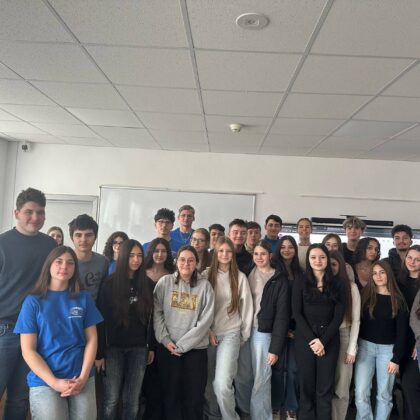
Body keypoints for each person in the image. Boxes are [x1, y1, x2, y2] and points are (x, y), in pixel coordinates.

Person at [14, 246, 103, 419]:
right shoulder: (33, 302)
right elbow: (28, 350)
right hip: (45, 379)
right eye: (59, 261)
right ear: (48, 265)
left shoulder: (83, 298)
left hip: (81, 376)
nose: (64, 267)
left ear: (75, 268)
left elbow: (92, 339)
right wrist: (54, 382)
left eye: (70, 263)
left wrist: (83, 377)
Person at [0, 187, 56, 419]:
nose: (35, 217)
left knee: (20, 397)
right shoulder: (2, 243)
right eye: (29, 212)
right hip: (5, 329)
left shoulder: (51, 246)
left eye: (40, 212)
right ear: (16, 213)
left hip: (35, 331)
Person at [153, 246, 215, 420]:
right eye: (182, 259)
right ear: (176, 261)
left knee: (193, 398)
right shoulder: (164, 283)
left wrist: (183, 346)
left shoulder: (205, 286)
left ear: (196, 263)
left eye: (190, 260)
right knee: (170, 396)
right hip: (168, 349)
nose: (186, 264)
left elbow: (205, 322)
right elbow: (156, 313)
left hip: (195, 351)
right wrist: (165, 340)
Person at [96, 240, 154, 420]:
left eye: (139, 256)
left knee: (132, 400)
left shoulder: (148, 284)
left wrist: (150, 347)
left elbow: (152, 319)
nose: (136, 260)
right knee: (111, 399)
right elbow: (100, 320)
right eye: (131, 256)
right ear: (122, 257)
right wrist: (99, 353)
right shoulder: (109, 283)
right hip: (113, 348)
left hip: (139, 349)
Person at [235, 240, 289, 420]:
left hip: (263, 333)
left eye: (263, 254)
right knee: (242, 376)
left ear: (270, 256)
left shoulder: (279, 279)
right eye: (256, 254)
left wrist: (275, 348)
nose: (259, 257)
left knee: (262, 378)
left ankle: (261, 417)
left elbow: (282, 316)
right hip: (243, 329)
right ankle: (245, 412)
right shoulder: (246, 273)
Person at [292, 243, 346, 420]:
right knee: (306, 387)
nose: (318, 261)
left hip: (329, 339)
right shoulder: (300, 281)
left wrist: (322, 341)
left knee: (324, 389)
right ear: (308, 260)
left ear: (327, 260)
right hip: (305, 339)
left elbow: (338, 317)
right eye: (313, 257)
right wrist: (313, 341)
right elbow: (297, 313)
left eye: (322, 257)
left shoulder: (338, 283)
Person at [204, 237, 253, 420]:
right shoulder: (205, 275)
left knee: (222, 384)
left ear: (233, 254)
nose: (224, 254)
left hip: (231, 334)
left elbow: (247, 309)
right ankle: (213, 416)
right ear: (215, 253)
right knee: (208, 384)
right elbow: (198, 308)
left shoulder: (240, 277)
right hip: (208, 335)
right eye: (221, 251)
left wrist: (243, 336)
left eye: (228, 251)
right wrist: (207, 330)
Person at [354, 260, 407, 420]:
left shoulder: (398, 299)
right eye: (374, 273)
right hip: (365, 348)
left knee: (384, 395)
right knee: (361, 393)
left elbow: (402, 333)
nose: (378, 276)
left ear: (388, 274)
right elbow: (357, 322)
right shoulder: (365, 295)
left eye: (382, 272)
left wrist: (396, 359)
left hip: (388, 351)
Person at [142, 238, 174, 420]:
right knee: (145, 381)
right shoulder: (142, 273)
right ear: (151, 252)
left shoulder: (173, 275)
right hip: (143, 331)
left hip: (165, 332)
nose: (160, 254)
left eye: (163, 251)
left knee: (161, 381)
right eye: (156, 251)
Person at [272, 235, 303, 420]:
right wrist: (281, 329)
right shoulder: (274, 269)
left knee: (292, 369)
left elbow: (303, 304)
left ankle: (291, 406)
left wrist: (297, 329)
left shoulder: (301, 273)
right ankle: (276, 405)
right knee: (277, 369)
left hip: (296, 329)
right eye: (283, 247)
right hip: (277, 328)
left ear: (295, 250)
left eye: (290, 247)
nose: (286, 250)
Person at [329, 251, 361, 420]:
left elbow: (356, 320)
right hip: (324, 339)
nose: (331, 267)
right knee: (325, 385)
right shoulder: (321, 284)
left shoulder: (351, 287)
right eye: (329, 264)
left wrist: (351, 349)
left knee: (341, 387)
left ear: (341, 266)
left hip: (343, 337)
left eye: (334, 264)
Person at [397, 245, 420, 420]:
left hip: (417, 340)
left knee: (409, 385)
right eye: (410, 258)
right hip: (401, 339)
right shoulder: (398, 281)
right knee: (405, 388)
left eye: (418, 260)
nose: (412, 262)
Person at [69, 214, 108, 301]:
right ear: (72, 238)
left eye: (88, 235)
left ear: (95, 237)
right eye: (78, 235)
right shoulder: (64, 262)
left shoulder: (103, 262)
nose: (83, 240)